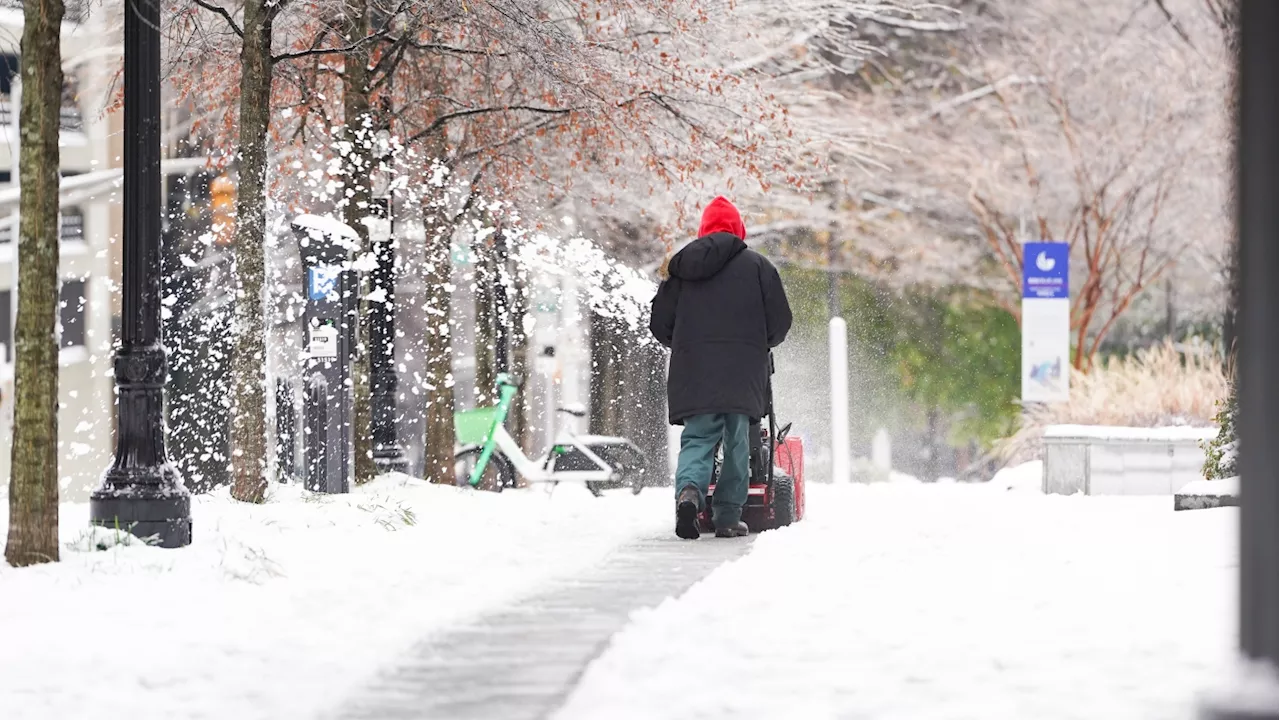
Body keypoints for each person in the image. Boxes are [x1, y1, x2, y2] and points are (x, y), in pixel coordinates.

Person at [649, 196, 792, 539]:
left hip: (695, 372)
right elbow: (780, 323)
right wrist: (761, 342)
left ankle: (689, 493)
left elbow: (659, 323)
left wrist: (685, 345)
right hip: (744, 374)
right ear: (739, 230)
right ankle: (728, 517)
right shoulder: (759, 267)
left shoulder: (679, 269)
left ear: (703, 230)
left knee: (698, 438)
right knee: (739, 442)